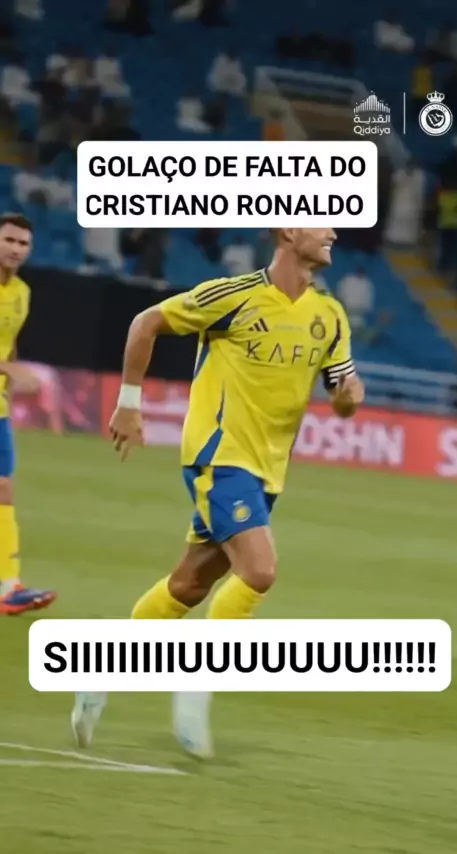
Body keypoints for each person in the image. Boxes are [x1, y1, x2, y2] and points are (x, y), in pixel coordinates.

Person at [71, 228, 364, 756]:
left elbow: (340, 395)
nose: (333, 232)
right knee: (260, 570)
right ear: (287, 231)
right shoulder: (232, 296)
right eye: (321, 219)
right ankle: (198, 681)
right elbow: (146, 323)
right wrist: (129, 403)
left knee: (189, 585)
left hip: (267, 471)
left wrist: (348, 398)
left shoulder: (330, 315)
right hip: (219, 455)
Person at [0, 213, 57, 615]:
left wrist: (9, 375)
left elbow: (9, 343)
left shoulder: (21, 292)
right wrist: (10, 370)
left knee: (4, 488)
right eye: (8, 240)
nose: (15, 249)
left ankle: (9, 585)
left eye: (23, 243)